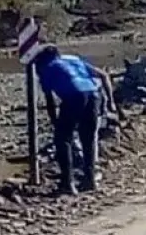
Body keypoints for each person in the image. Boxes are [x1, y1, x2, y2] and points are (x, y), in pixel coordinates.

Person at [32, 44, 117, 195]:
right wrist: (111, 102)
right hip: (93, 95)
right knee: (88, 138)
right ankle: (90, 180)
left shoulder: (47, 68)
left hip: (74, 97)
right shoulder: (73, 59)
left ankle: (68, 183)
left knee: (63, 140)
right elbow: (103, 75)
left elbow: (50, 100)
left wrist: (55, 122)